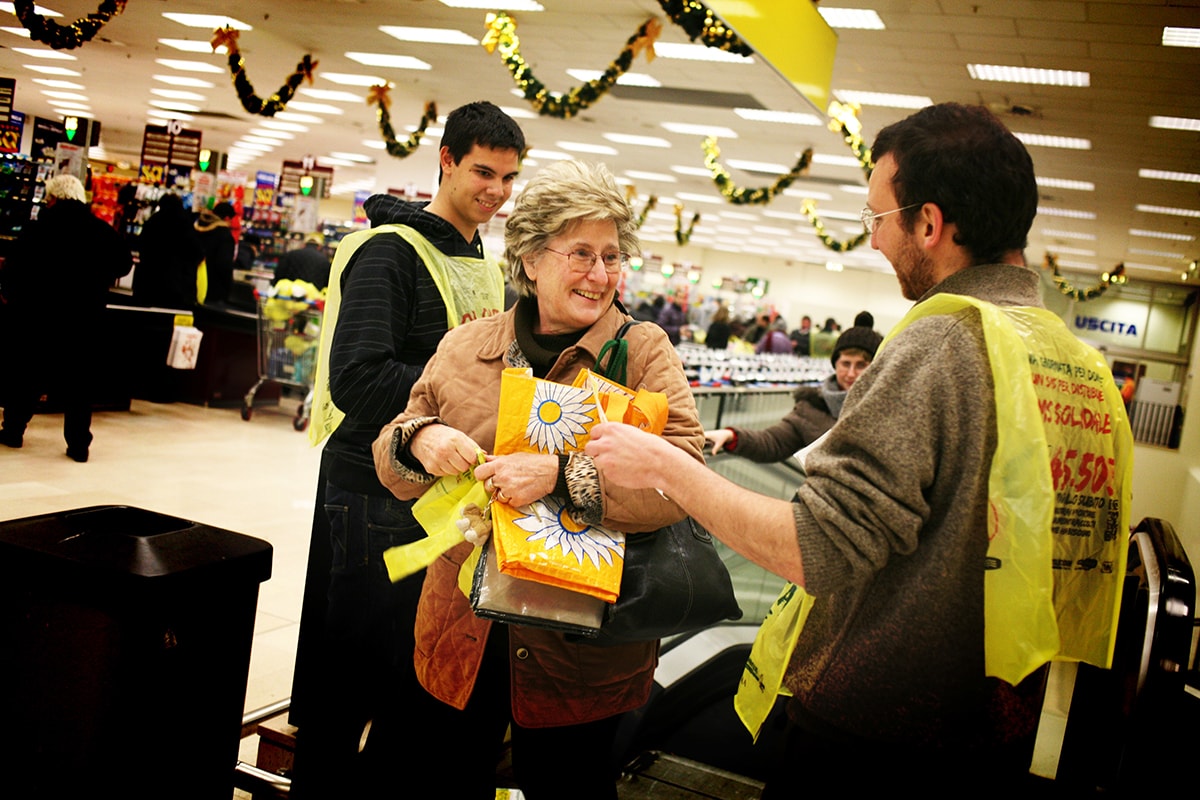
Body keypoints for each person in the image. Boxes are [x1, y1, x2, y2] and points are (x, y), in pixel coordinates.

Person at [584, 103, 1132, 791]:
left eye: (879, 219)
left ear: (928, 224)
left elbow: (818, 549)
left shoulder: (941, 345)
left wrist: (667, 468)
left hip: (874, 734)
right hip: (996, 725)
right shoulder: (1074, 361)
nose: (874, 242)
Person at [371, 159, 705, 799]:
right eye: (581, 253)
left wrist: (559, 474)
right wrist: (420, 439)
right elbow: (390, 455)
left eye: (612, 256)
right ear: (528, 257)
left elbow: (684, 474)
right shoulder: (466, 346)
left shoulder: (641, 353)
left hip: (578, 646)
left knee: (566, 786)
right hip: (461, 628)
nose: (600, 274)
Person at [288, 100, 525, 798]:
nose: (496, 191)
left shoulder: (477, 256)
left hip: (436, 499)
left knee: (407, 672)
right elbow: (357, 377)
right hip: (369, 495)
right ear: (445, 161)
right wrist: (469, 403)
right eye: (483, 171)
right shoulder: (389, 251)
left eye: (510, 178)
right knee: (349, 678)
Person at [0, 174, 132, 461]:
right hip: (84, 318)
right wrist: (98, 276)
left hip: (37, 316)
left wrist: (11, 294)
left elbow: (13, 267)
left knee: (27, 375)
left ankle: (13, 430)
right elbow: (123, 263)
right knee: (79, 383)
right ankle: (78, 445)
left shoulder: (38, 229)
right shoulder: (99, 230)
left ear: (54, 198)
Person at [707, 312, 882, 460]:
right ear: (835, 364)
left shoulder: (884, 413)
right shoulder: (811, 407)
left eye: (861, 365)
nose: (851, 373)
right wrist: (732, 436)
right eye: (845, 364)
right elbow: (773, 441)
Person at [130, 192, 204, 309]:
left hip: (149, 283)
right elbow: (197, 252)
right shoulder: (185, 223)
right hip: (178, 286)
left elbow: (141, 246)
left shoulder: (153, 221)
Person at [194, 200, 237, 306]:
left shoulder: (194, 227)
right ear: (227, 218)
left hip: (191, 284)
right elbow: (224, 265)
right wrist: (228, 289)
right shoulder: (224, 235)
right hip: (213, 290)